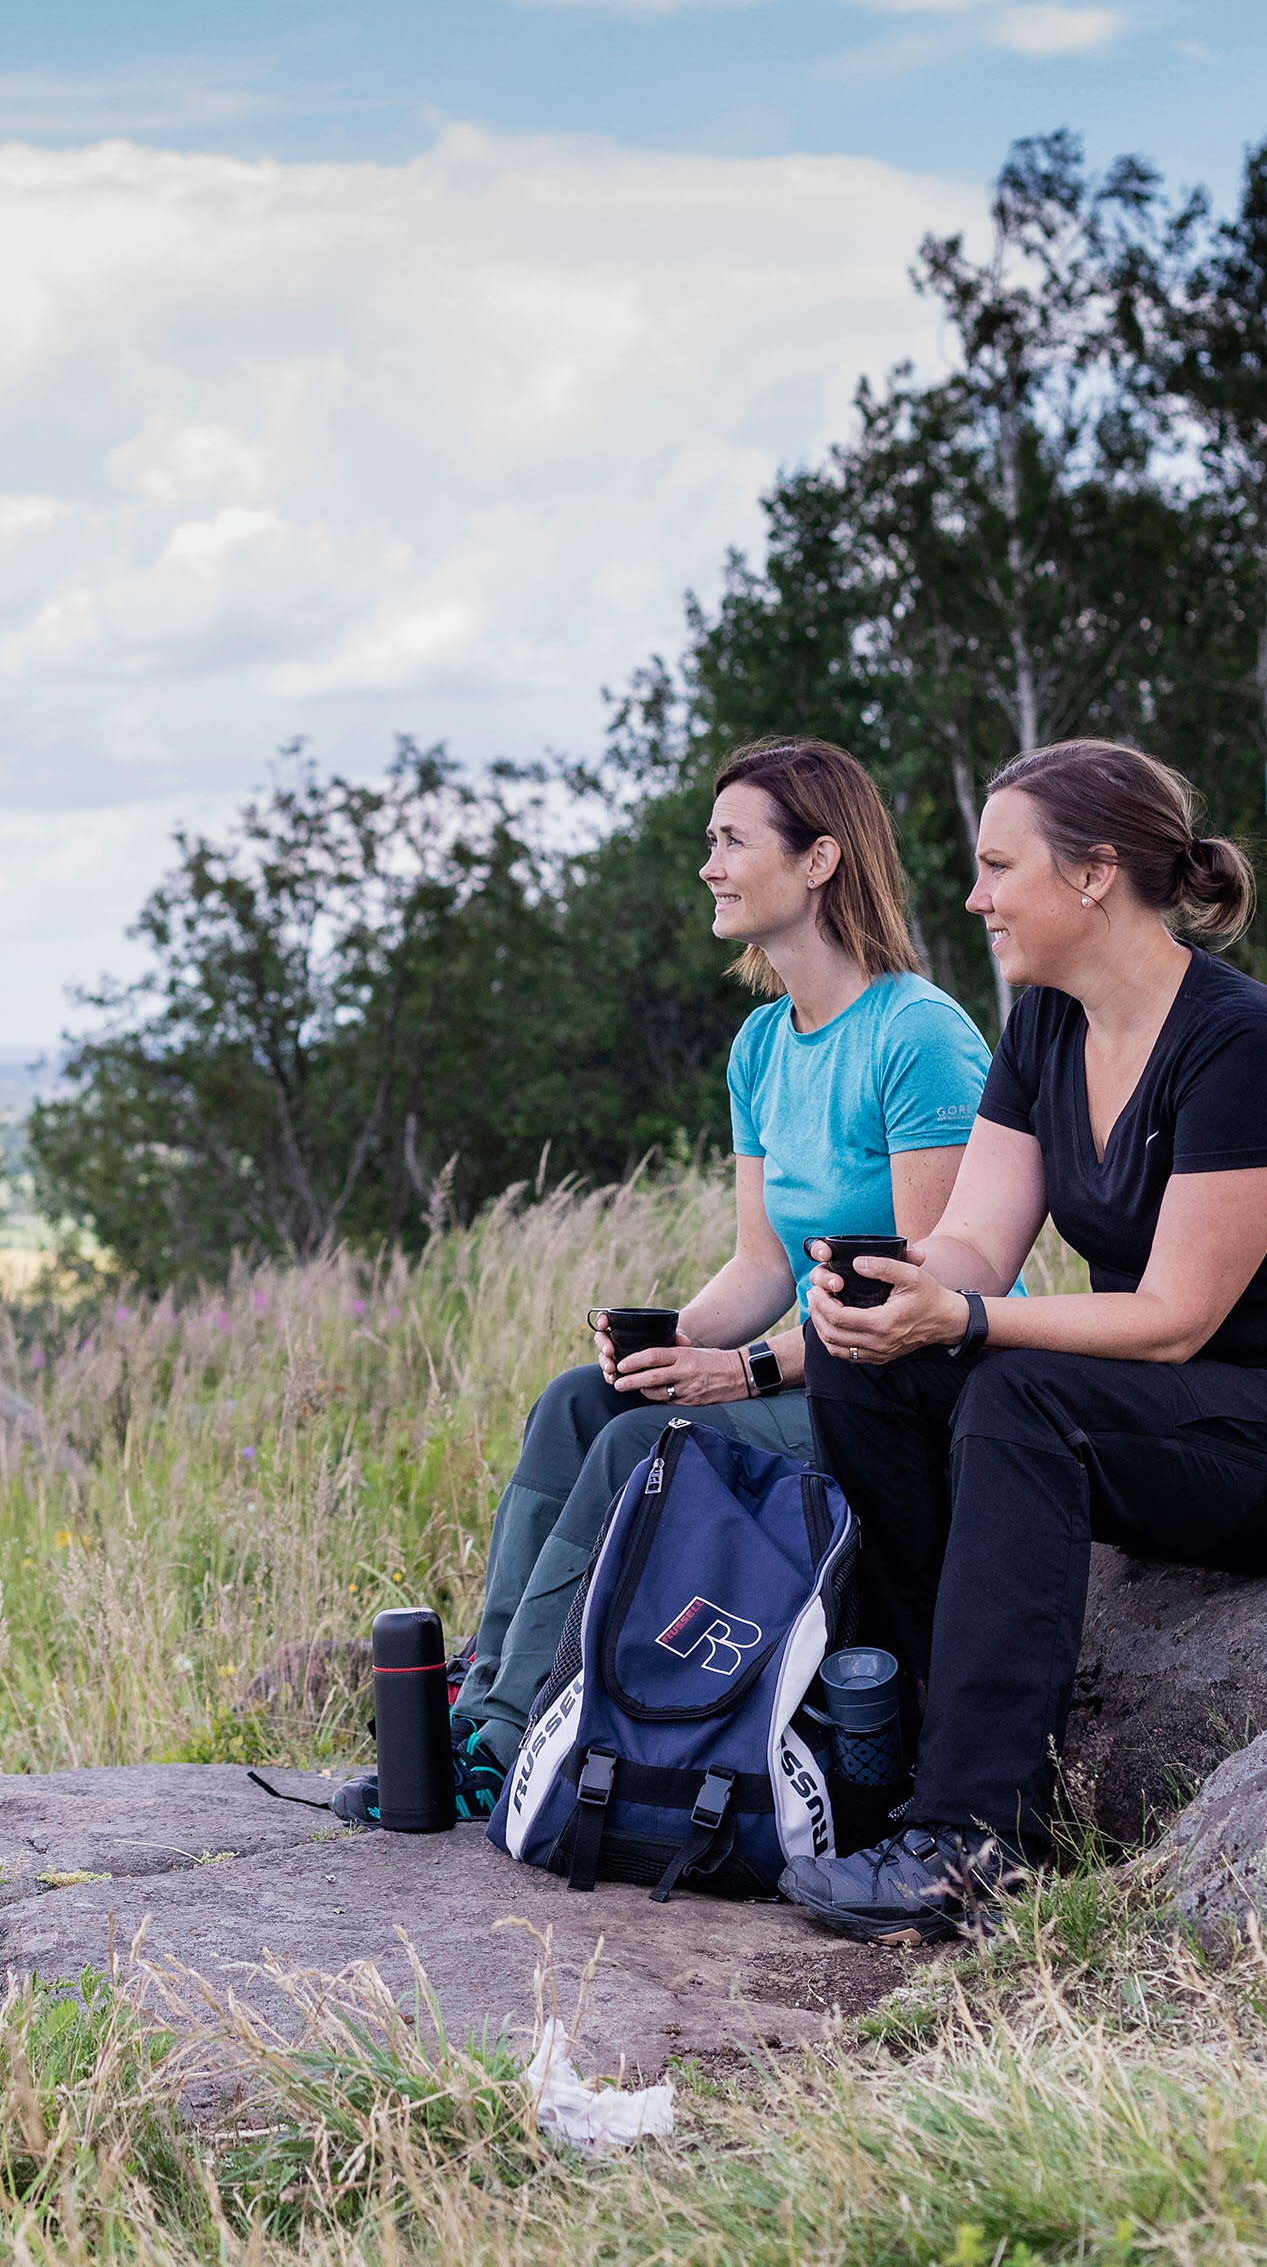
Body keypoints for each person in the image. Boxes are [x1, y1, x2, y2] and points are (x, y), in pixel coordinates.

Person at [776, 738, 1267, 1942]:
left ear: (1092, 875)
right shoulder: (1044, 1030)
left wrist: (971, 1318)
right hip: (1181, 1415)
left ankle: (976, 1848)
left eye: (996, 867)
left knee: (1023, 1395)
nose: (974, 898)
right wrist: (889, 1287)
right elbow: (975, 1244)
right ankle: (911, 1764)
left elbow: (1174, 1317)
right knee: (868, 1363)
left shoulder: (1246, 1046)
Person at [335, 736, 996, 1825]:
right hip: (812, 1372)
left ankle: (504, 1742)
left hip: (906, 1402)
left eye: (733, 840)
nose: (711, 865)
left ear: (821, 858)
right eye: (711, 842)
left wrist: (742, 1370)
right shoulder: (762, 1045)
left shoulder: (917, 1034)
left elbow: (932, 1294)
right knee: (584, 1401)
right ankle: (484, 1699)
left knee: (642, 1443)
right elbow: (763, 1262)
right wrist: (669, 1340)